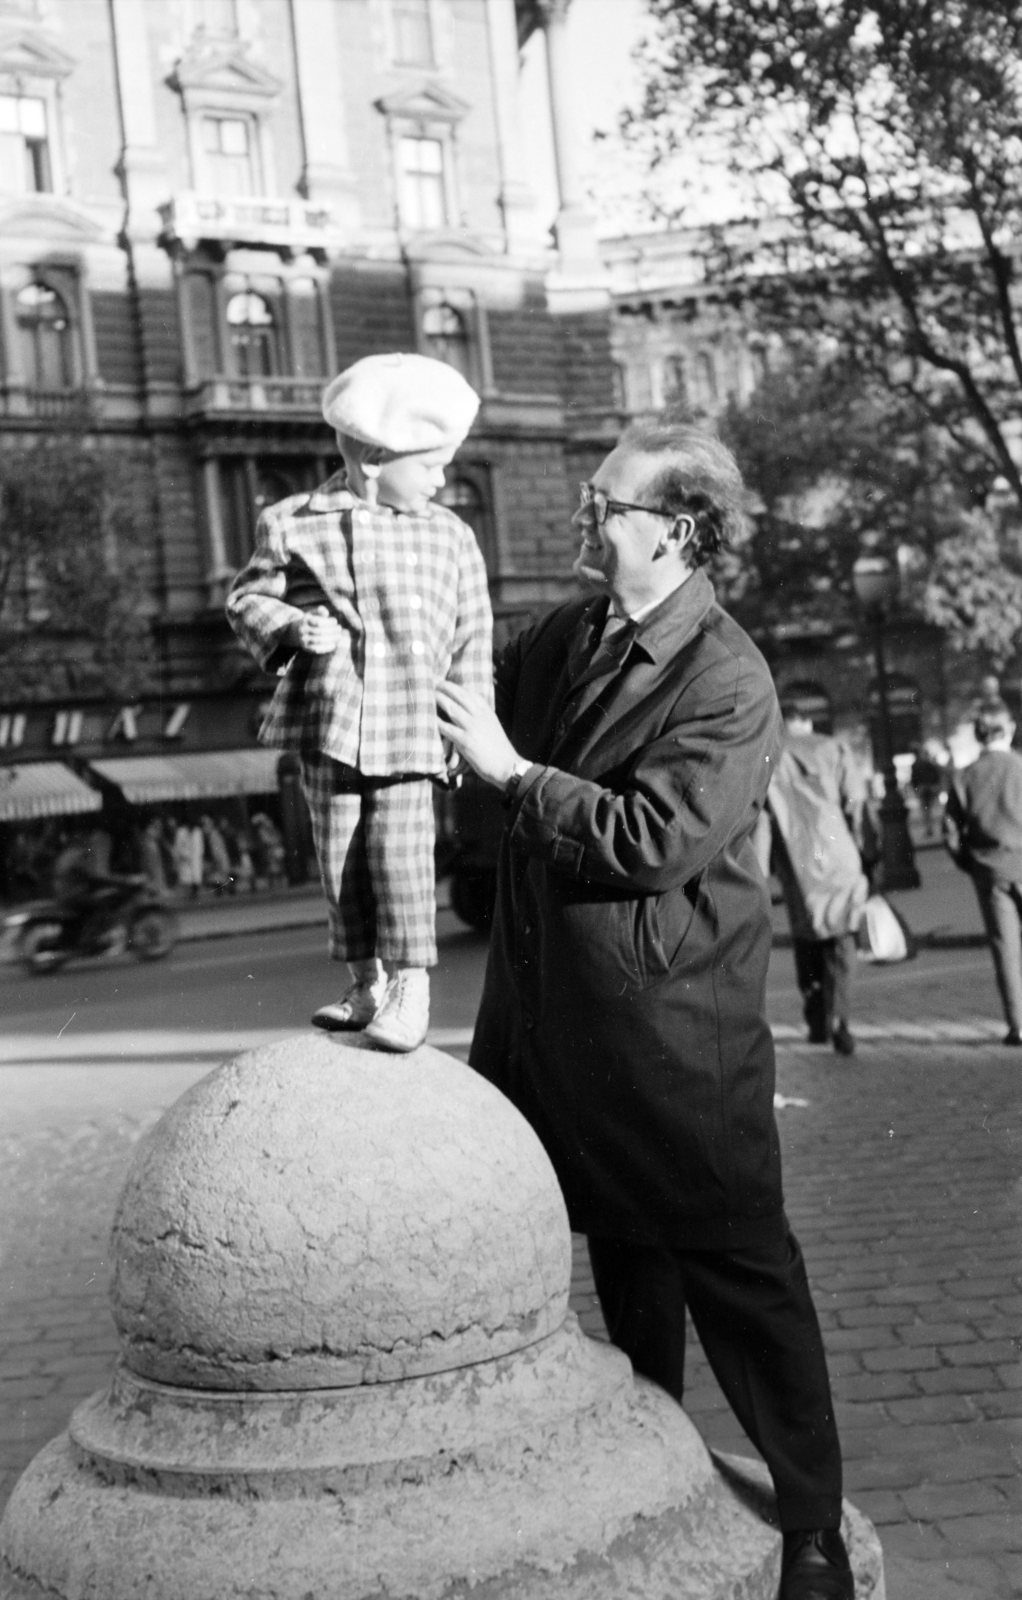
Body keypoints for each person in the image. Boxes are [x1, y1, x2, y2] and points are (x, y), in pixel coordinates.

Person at [436, 420, 854, 1600]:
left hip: (675, 1042)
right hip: (560, 1030)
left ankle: (810, 1527)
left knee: (742, 1281)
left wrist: (516, 779)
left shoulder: (727, 675)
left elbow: (650, 838)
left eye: (606, 503)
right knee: (627, 1276)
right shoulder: (568, 633)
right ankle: (649, 1475)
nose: (587, 514)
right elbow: (467, 669)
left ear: (673, 530)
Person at [227, 352, 493, 1052]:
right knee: (340, 855)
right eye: (430, 465)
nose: (441, 481)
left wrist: (470, 732)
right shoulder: (293, 521)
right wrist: (288, 626)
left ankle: (413, 989)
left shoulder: (451, 536)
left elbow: (472, 640)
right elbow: (245, 598)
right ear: (374, 458)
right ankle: (365, 983)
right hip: (331, 719)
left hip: (411, 724)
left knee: (400, 857)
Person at [767, 696, 869, 1057]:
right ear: (807, 721)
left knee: (805, 936)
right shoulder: (832, 747)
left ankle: (816, 1019)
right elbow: (856, 802)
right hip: (837, 852)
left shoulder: (769, 753)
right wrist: (863, 849)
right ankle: (841, 1018)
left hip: (795, 860)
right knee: (841, 939)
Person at [943, 700, 1022, 1046]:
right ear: (1009, 730)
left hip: (990, 868)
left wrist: (973, 864)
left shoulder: (965, 776)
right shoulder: (1020, 767)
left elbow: (950, 833)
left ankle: (1018, 1023)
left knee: (1005, 948)